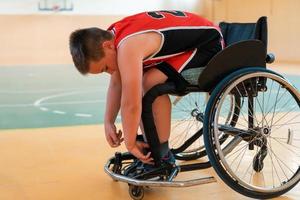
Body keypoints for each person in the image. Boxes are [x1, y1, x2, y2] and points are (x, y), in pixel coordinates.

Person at [69, 10, 223, 165]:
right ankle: (151, 144)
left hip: (207, 45)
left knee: (150, 82)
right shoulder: (112, 37)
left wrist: (130, 143)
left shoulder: (128, 46)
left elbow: (131, 103)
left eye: (105, 68)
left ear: (107, 46)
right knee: (144, 81)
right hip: (192, 40)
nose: (110, 72)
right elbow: (117, 83)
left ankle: (162, 154)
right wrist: (108, 121)